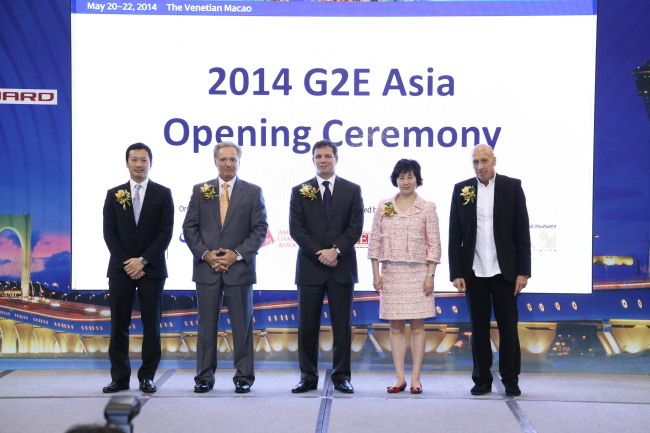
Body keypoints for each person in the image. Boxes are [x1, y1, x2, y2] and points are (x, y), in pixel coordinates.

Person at [182, 141, 268, 394]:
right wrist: (207, 255)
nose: (228, 164)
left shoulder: (253, 191)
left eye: (233, 159)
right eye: (223, 159)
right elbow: (189, 228)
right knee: (206, 325)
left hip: (239, 269)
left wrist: (237, 255)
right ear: (215, 162)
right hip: (206, 270)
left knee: (242, 326)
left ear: (239, 162)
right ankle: (204, 377)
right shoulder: (201, 190)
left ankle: (243, 377)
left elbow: (260, 229)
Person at [448, 144, 531, 397]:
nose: (480, 166)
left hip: (505, 271)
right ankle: (481, 378)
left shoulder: (512, 187)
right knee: (479, 329)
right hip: (474, 272)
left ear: (494, 160)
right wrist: (456, 272)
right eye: (475, 162)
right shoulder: (462, 189)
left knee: (509, 329)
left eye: (484, 161)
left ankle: (510, 379)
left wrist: (523, 272)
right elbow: (455, 234)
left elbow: (522, 231)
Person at [289, 139, 364, 394]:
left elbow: (355, 227)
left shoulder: (352, 190)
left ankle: (341, 376)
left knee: (342, 327)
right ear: (312, 159)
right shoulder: (299, 190)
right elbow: (296, 229)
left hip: (341, 267)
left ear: (336, 159)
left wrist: (336, 251)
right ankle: (307, 377)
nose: (323, 160)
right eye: (318, 156)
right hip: (310, 267)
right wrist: (321, 253)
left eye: (328, 156)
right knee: (307, 326)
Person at [102, 142, 174, 394]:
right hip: (121, 270)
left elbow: (165, 233)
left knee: (152, 325)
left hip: (151, 269)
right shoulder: (114, 194)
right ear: (127, 163)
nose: (139, 164)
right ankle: (119, 378)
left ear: (150, 163)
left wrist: (142, 261)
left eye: (144, 160)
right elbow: (109, 233)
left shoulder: (163, 194)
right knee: (118, 324)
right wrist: (128, 262)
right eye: (134, 160)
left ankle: (147, 377)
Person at [368, 159, 441, 394]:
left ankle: (416, 378)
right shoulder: (384, 205)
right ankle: (399, 378)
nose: (406, 181)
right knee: (395, 327)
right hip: (391, 273)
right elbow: (374, 242)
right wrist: (375, 273)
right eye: (401, 177)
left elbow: (435, 244)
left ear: (417, 179)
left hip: (419, 273)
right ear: (395, 179)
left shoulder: (428, 207)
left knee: (418, 327)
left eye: (410, 177)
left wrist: (430, 274)